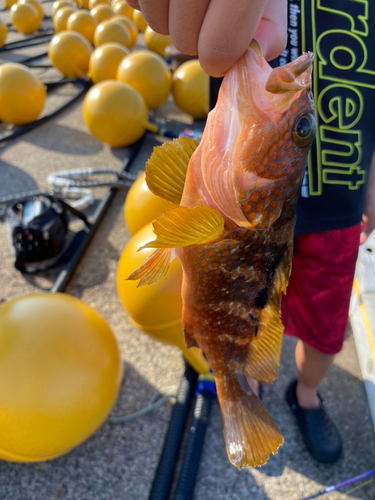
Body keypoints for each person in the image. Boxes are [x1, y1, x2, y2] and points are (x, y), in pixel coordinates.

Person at [127, 0, 375, 463]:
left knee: (327, 325)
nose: (300, 92)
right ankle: (245, 387)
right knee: (248, 328)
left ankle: (307, 395)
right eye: (304, 125)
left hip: (343, 200)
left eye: (301, 125)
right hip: (264, 211)